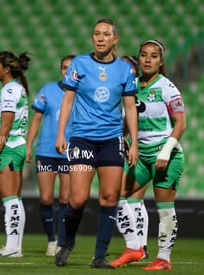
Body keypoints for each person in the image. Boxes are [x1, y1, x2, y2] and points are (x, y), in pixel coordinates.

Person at [54, 18, 139, 269]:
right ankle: (66, 242)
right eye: (96, 34)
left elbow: (130, 107)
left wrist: (133, 141)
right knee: (78, 198)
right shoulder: (79, 64)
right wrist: (62, 134)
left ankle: (99, 256)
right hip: (82, 139)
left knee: (110, 197)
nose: (100, 38)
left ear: (116, 39)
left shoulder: (124, 70)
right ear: (92, 38)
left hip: (112, 139)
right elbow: (68, 99)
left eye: (106, 34)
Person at [110, 40, 186, 271]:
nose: (147, 59)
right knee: (113, 196)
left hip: (166, 157)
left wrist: (165, 151)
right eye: (143, 55)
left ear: (161, 61)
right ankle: (135, 247)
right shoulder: (131, 86)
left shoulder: (167, 87)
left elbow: (181, 124)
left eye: (153, 56)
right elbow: (127, 120)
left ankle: (163, 258)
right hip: (140, 157)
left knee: (164, 208)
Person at [26, 55, 74, 256]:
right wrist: (29, 145)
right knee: (46, 198)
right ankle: (51, 241)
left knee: (65, 198)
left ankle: (62, 241)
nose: (67, 72)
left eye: (70, 68)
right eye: (64, 68)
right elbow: (36, 118)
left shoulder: (81, 94)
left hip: (70, 152)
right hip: (46, 150)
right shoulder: (48, 90)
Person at [0, 50, 31, 257]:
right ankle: (15, 246)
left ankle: (12, 247)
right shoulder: (17, 89)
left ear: (6, 69)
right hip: (17, 145)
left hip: (9, 147)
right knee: (15, 198)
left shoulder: (9, 91)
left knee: (9, 199)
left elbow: (5, 124)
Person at [111, 55, 151, 265]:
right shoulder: (141, 87)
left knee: (120, 196)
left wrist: (122, 137)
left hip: (138, 148)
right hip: (147, 147)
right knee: (135, 200)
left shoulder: (130, 87)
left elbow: (129, 117)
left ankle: (135, 246)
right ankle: (141, 247)